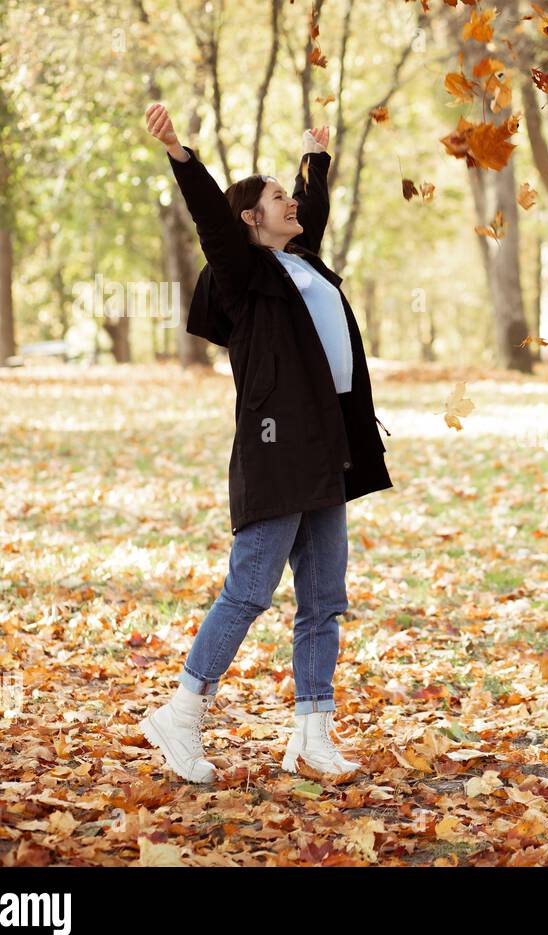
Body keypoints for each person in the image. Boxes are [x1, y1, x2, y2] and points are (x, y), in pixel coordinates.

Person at [137, 103, 392, 784]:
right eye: (277, 198)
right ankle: (183, 712)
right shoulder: (245, 276)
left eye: (289, 195)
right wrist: (182, 159)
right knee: (251, 589)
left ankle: (311, 735)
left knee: (324, 599)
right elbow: (213, 223)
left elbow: (314, 207)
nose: (291, 203)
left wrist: (315, 160)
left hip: (330, 448)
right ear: (252, 219)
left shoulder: (300, 261)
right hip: (278, 450)